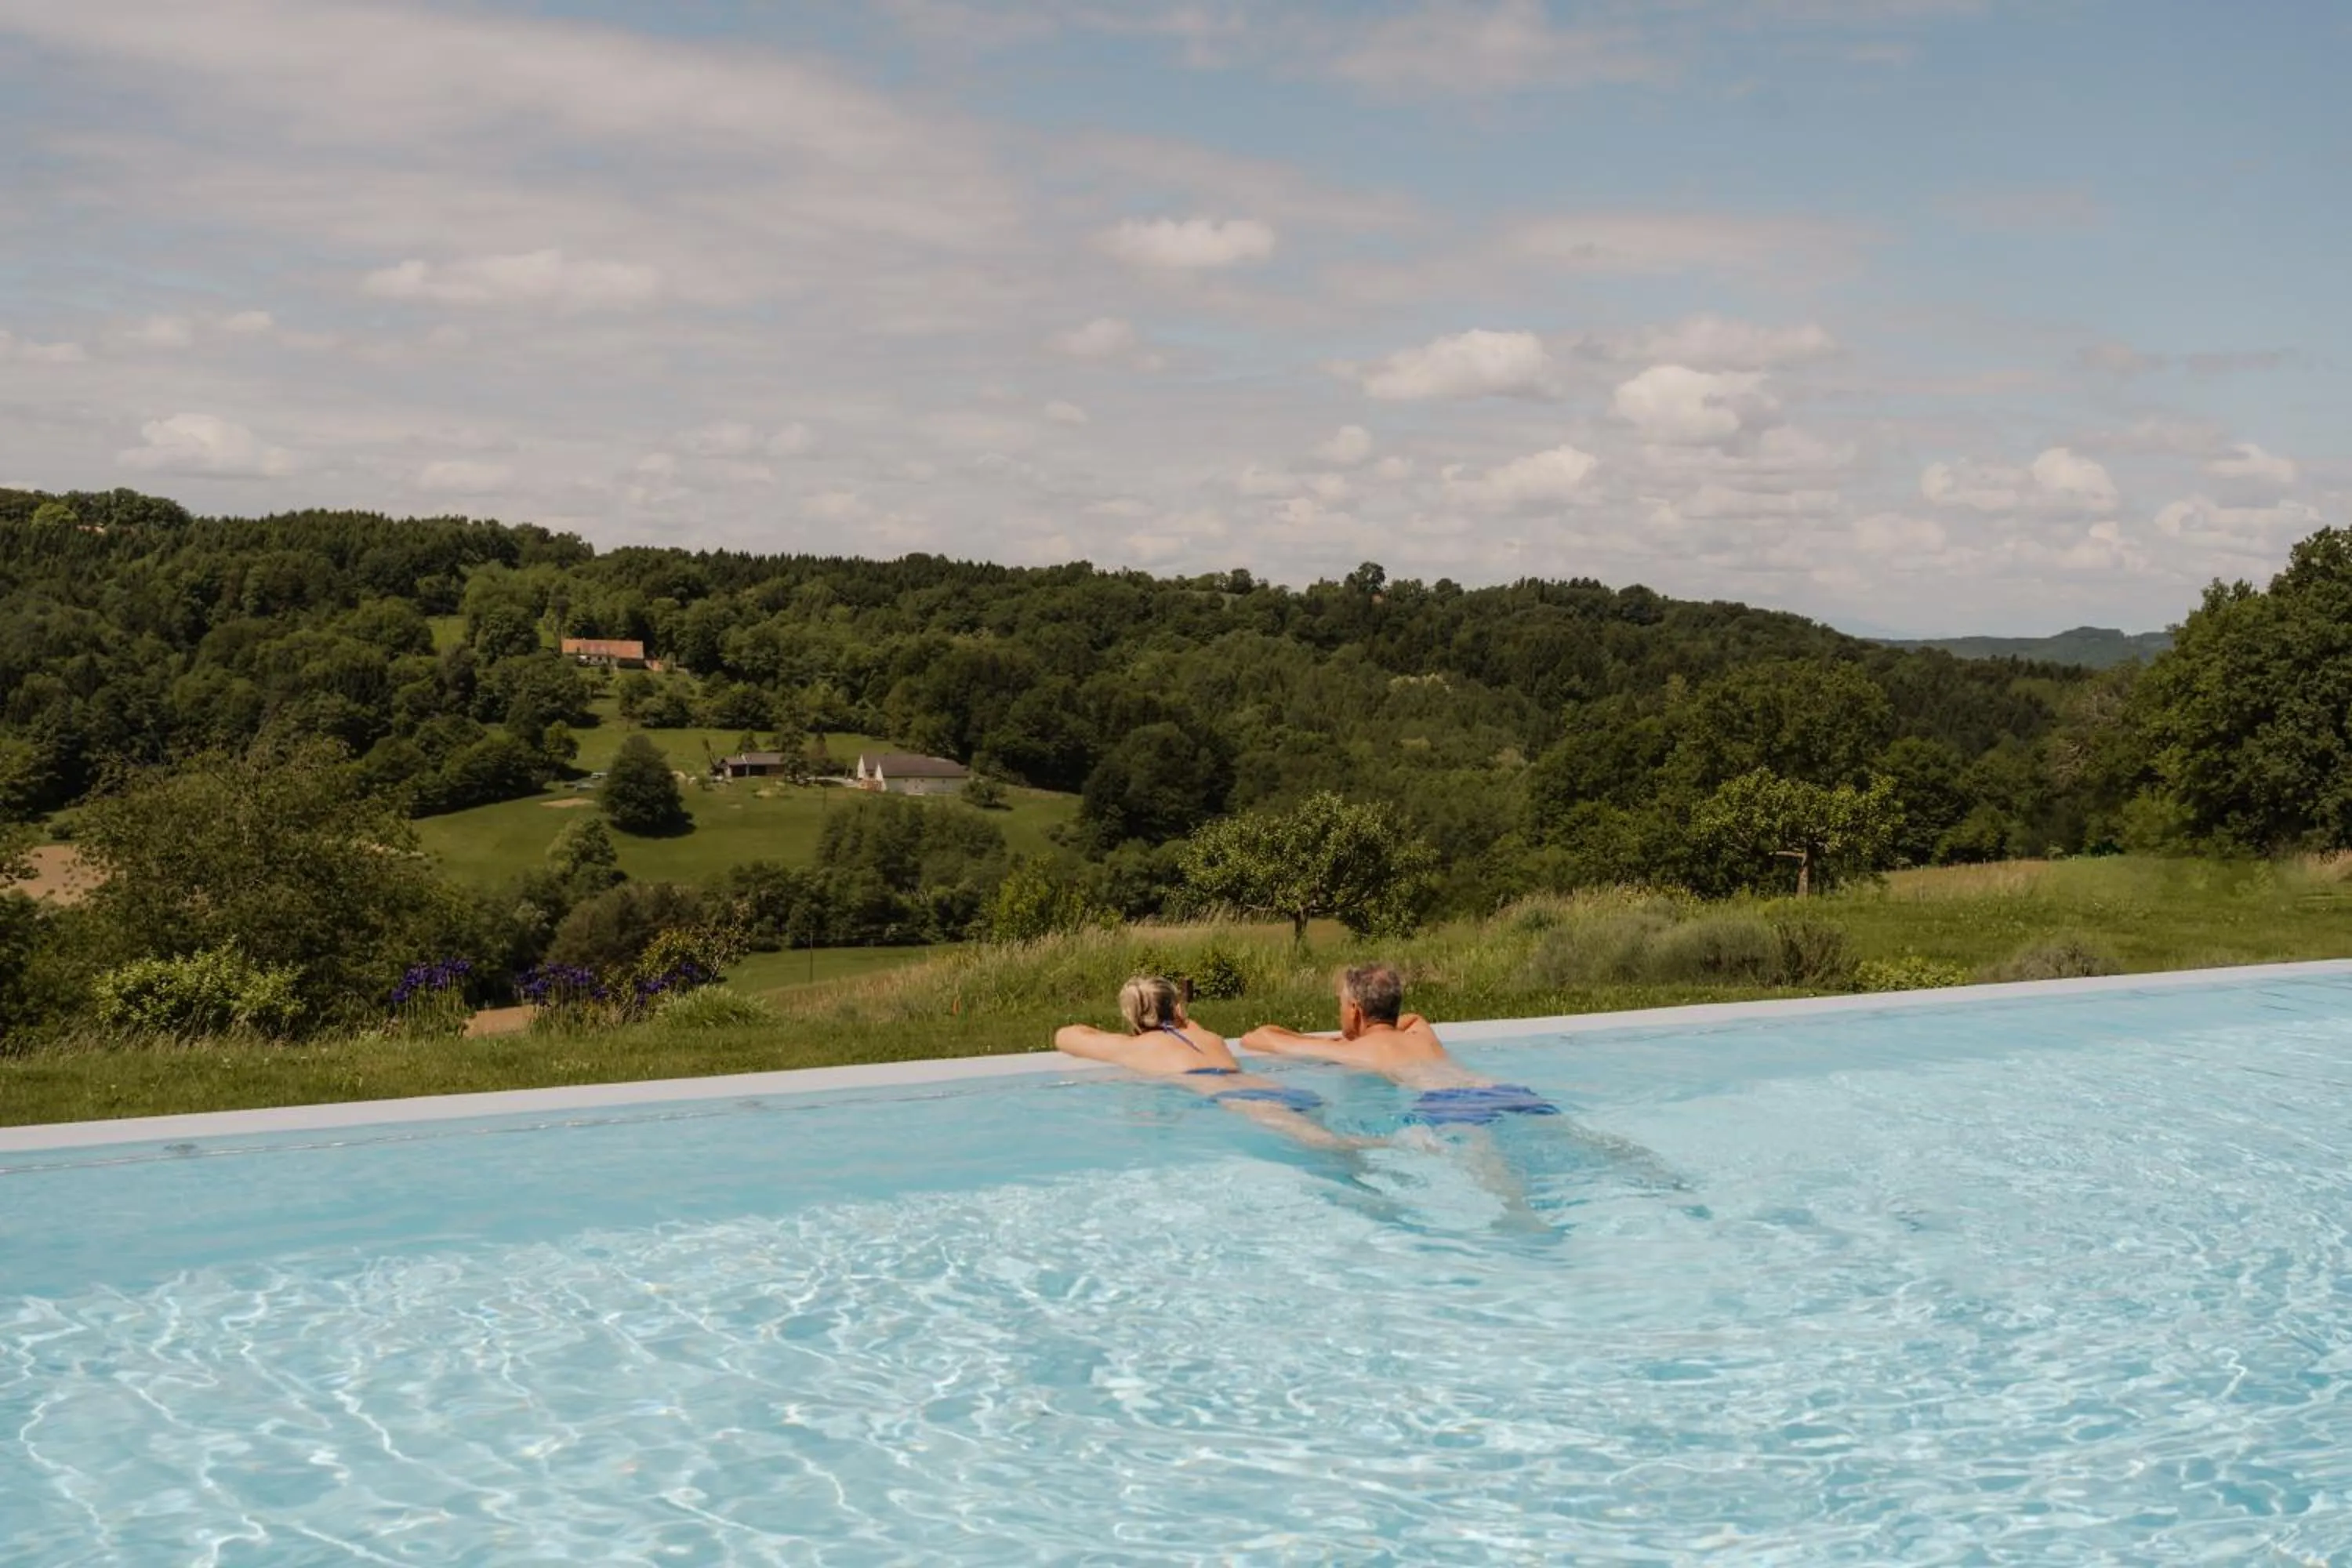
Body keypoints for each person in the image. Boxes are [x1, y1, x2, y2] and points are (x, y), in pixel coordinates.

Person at [1239, 962, 1561, 1129]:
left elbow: (1258, 1038)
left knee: (1495, 1174)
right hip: (1501, 1088)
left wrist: (1337, 1040)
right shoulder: (1420, 1033)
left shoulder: (1350, 1051)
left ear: (1356, 1010)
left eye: (1342, 1004)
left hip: (1447, 1102)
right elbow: (1413, 1018)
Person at [1054, 975, 1359, 1149]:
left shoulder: (1137, 1048)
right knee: (1335, 1147)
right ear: (1177, 1009)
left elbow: (1067, 1036)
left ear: (1133, 1016)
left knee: (1331, 1148)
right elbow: (1186, 1027)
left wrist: (1130, 1031)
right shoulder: (1208, 1037)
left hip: (1237, 1098)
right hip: (1278, 1089)